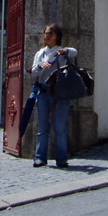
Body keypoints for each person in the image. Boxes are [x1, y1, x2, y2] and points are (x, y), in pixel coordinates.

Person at [30, 23, 78, 168]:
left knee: (60, 127)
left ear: (57, 36)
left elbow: (75, 52)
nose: (46, 36)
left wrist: (65, 51)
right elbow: (33, 72)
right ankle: (40, 158)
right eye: (45, 33)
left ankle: (62, 159)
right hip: (44, 92)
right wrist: (40, 66)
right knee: (43, 127)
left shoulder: (62, 52)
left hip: (61, 93)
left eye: (50, 33)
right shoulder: (40, 53)